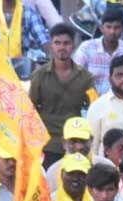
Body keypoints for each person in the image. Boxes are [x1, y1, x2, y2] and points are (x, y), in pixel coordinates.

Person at [29, 28, 94, 160]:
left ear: (73, 46)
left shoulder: (86, 77)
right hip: (48, 143)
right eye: (57, 43)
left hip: (76, 143)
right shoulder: (39, 75)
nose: (62, 47)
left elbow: (93, 107)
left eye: (66, 43)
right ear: (51, 46)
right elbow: (31, 109)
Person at [71, 6, 123, 96]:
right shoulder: (87, 47)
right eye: (108, 27)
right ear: (101, 28)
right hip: (92, 102)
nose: (112, 31)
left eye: (117, 27)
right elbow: (74, 75)